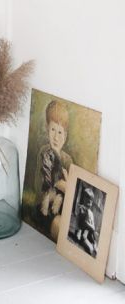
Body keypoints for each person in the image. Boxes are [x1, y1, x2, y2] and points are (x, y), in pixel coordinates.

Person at [35, 100, 73, 240]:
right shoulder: (43, 152)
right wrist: (59, 184)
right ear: (47, 128)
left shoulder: (67, 160)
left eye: (60, 132)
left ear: (65, 135)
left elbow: (69, 191)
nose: (56, 137)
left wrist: (65, 186)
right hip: (43, 206)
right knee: (54, 222)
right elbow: (38, 186)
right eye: (52, 130)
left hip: (61, 206)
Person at [74, 187, 97, 257]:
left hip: (89, 231)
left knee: (92, 234)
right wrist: (91, 227)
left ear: (92, 203)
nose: (88, 204)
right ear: (84, 200)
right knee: (84, 238)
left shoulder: (91, 213)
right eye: (87, 201)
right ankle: (90, 247)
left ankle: (94, 244)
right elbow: (82, 223)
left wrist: (91, 228)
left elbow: (93, 227)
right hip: (81, 230)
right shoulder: (82, 209)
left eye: (90, 202)